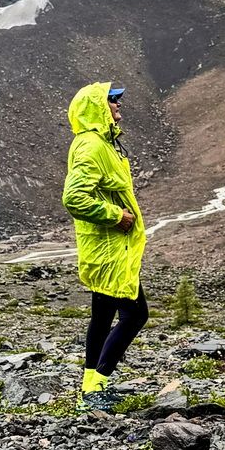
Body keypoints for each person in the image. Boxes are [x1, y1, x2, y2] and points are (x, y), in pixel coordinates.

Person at [62, 81, 148, 408]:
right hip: (110, 248)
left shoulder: (100, 143)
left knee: (103, 315)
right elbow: (74, 197)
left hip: (108, 248)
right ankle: (97, 386)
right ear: (99, 107)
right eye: (114, 103)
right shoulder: (91, 146)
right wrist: (116, 216)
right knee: (135, 314)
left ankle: (91, 385)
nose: (119, 109)